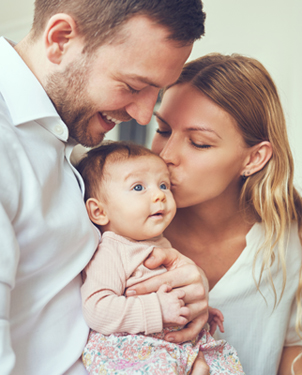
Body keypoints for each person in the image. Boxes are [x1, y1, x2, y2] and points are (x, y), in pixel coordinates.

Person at [0, 1, 208, 374]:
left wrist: (179, 289)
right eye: (132, 86)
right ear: (61, 40)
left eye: (155, 93)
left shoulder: (63, 130)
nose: (143, 115)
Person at [129, 53, 302, 375]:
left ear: (254, 158)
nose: (166, 156)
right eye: (163, 129)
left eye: (199, 143)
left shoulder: (291, 243)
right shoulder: (119, 226)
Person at [77, 140, 245, 375]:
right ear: (99, 211)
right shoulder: (112, 251)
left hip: (168, 345)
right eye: (138, 187)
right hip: (134, 352)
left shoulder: (159, 243)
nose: (159, 195)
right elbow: (97, 309)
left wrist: (194, 314)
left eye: (164, 185)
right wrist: (157, 309)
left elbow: (169, 291)